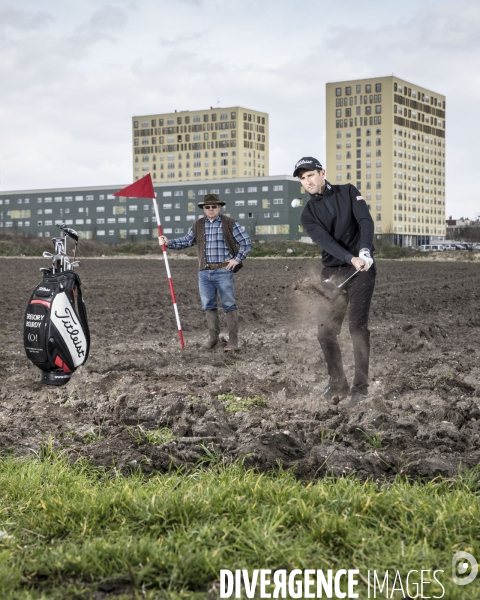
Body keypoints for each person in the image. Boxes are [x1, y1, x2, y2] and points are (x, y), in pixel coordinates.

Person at [293, 157, 376, 408]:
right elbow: (326, 242)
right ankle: (338, 382)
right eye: (302, 178)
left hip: (362, 269)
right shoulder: (308, 214)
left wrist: (364, 251)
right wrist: (349, 258)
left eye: (310, 175)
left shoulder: (348, 191)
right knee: (325, 331)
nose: (307, 182)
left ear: (322, 173)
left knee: (357, 328)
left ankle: (361, 389)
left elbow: (365, 221)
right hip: (333, 271)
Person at [159, 193, 251, 351]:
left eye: (214, 207)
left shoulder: (229, 223)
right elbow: (187, 240)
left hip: (223, 270)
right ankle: (213, 338)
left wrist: (237, 259)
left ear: (219, 207)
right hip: (204, 272)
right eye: (207, 207)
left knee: (229, 304)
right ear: (203, 209)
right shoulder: (198, 224)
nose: (210, 209)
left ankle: (233, 340)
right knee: (209, 305)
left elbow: (246, 242)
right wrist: (168, 242)